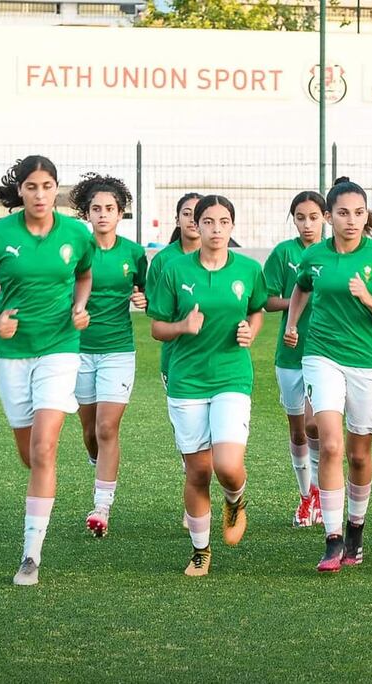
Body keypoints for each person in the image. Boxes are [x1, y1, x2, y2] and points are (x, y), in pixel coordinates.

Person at [0, 156, 94, 585]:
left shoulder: (76, 233)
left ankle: (30, 557)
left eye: (48, 186)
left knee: (43, 450)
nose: (40, 195)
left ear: (58, 189)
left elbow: (84, 275)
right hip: (11, 353)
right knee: (29, 453)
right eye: (32, 187)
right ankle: (43, 480)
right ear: (20, 190)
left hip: (60, 348)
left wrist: (79, 307)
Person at [284, 178, 372, 572]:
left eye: (359, 212)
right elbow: (301, 288)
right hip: (322, 356)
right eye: (343, 213)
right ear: (329, 216)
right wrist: (293, 322)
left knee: (358, 453)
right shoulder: (315, 255)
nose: (351, 220)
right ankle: (333, 539)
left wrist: (367, 298)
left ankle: (355, 530)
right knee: (331, 443)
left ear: (366, 215)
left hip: (369, 362)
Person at [148, 195, 267, 577]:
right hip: (187, 381)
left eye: (224, 221)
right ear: (195, 226)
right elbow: (157, 327)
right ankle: (201, 550)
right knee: (198, 472)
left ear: (232, 227)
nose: (216, 229)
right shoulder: (172, 268)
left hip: (232, 376)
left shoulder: (248, 269)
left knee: (228, 465)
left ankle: (236, 500)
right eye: (209, 222)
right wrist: (183, 326)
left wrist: (251, 330)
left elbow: (257, 309)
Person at [67, 174, 147, 538]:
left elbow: (149, 292)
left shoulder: (133, 253)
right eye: (96, 208)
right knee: (89, 432)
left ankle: (102, 506)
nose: (102, 215)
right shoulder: (75, 248)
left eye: (109, 209)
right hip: (79, 351)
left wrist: (143, 299)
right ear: (87, 213)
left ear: (120, 213)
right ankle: (100, 463)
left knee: (106, 426)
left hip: (118, 351)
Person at [264, 191, 324, 527]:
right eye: (300, 217)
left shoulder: (331, 254)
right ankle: (306, 497)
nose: (307, 224)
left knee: (316, 423)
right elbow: (268, 300)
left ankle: (320, 490)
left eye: (313, 217)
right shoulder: (283, 253)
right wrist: (296, 306)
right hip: (289, 354)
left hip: (324, 352)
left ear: (325, 218)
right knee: (298, 429)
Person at [147, 193, 202, 387]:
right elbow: (155, 310)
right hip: (176, 353)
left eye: (198, 214)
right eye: (187, 214)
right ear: (177, 220)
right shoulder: (163, 260)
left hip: (216, 353)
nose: (193, 219)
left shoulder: (221, 257)